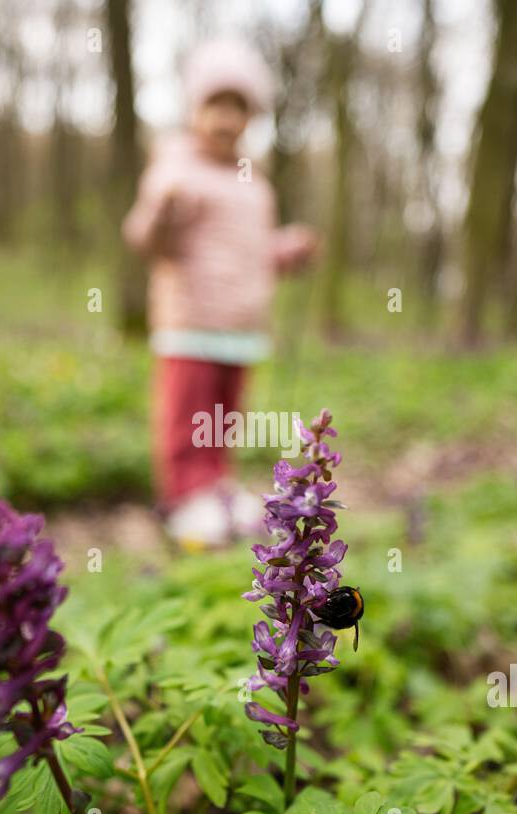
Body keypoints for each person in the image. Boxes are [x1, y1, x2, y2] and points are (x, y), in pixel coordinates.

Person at [122, 39, 320, 550]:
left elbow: (256, 250)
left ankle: (216, 487)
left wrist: (286, 250)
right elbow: (144, 238)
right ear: (194, 108)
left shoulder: (255, 183)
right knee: (188, 413)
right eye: (216, 104)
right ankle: (184, 497)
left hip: (241, 324)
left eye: (239, 107)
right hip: (189, 318)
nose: (227, 119)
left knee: (224, 417)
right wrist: (162, 210)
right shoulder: (174, 167)